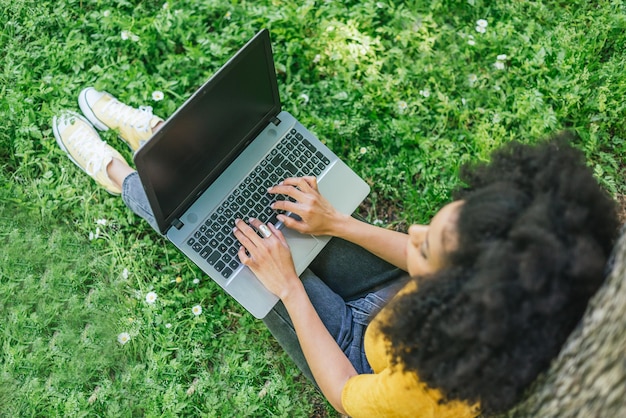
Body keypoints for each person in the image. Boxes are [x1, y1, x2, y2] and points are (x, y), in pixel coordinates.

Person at [53, 88, 619, 417]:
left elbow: (349, 397)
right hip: (392, 304)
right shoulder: (505, 289)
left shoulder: (430, 386)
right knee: (266, 209)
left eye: (423, 245)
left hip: (354, 356)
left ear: (457, 297)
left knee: (227, 238)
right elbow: (430, 257)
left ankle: (125, 176)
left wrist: (289, 289)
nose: (414, 228)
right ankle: (156, 138)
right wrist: (337, 223)